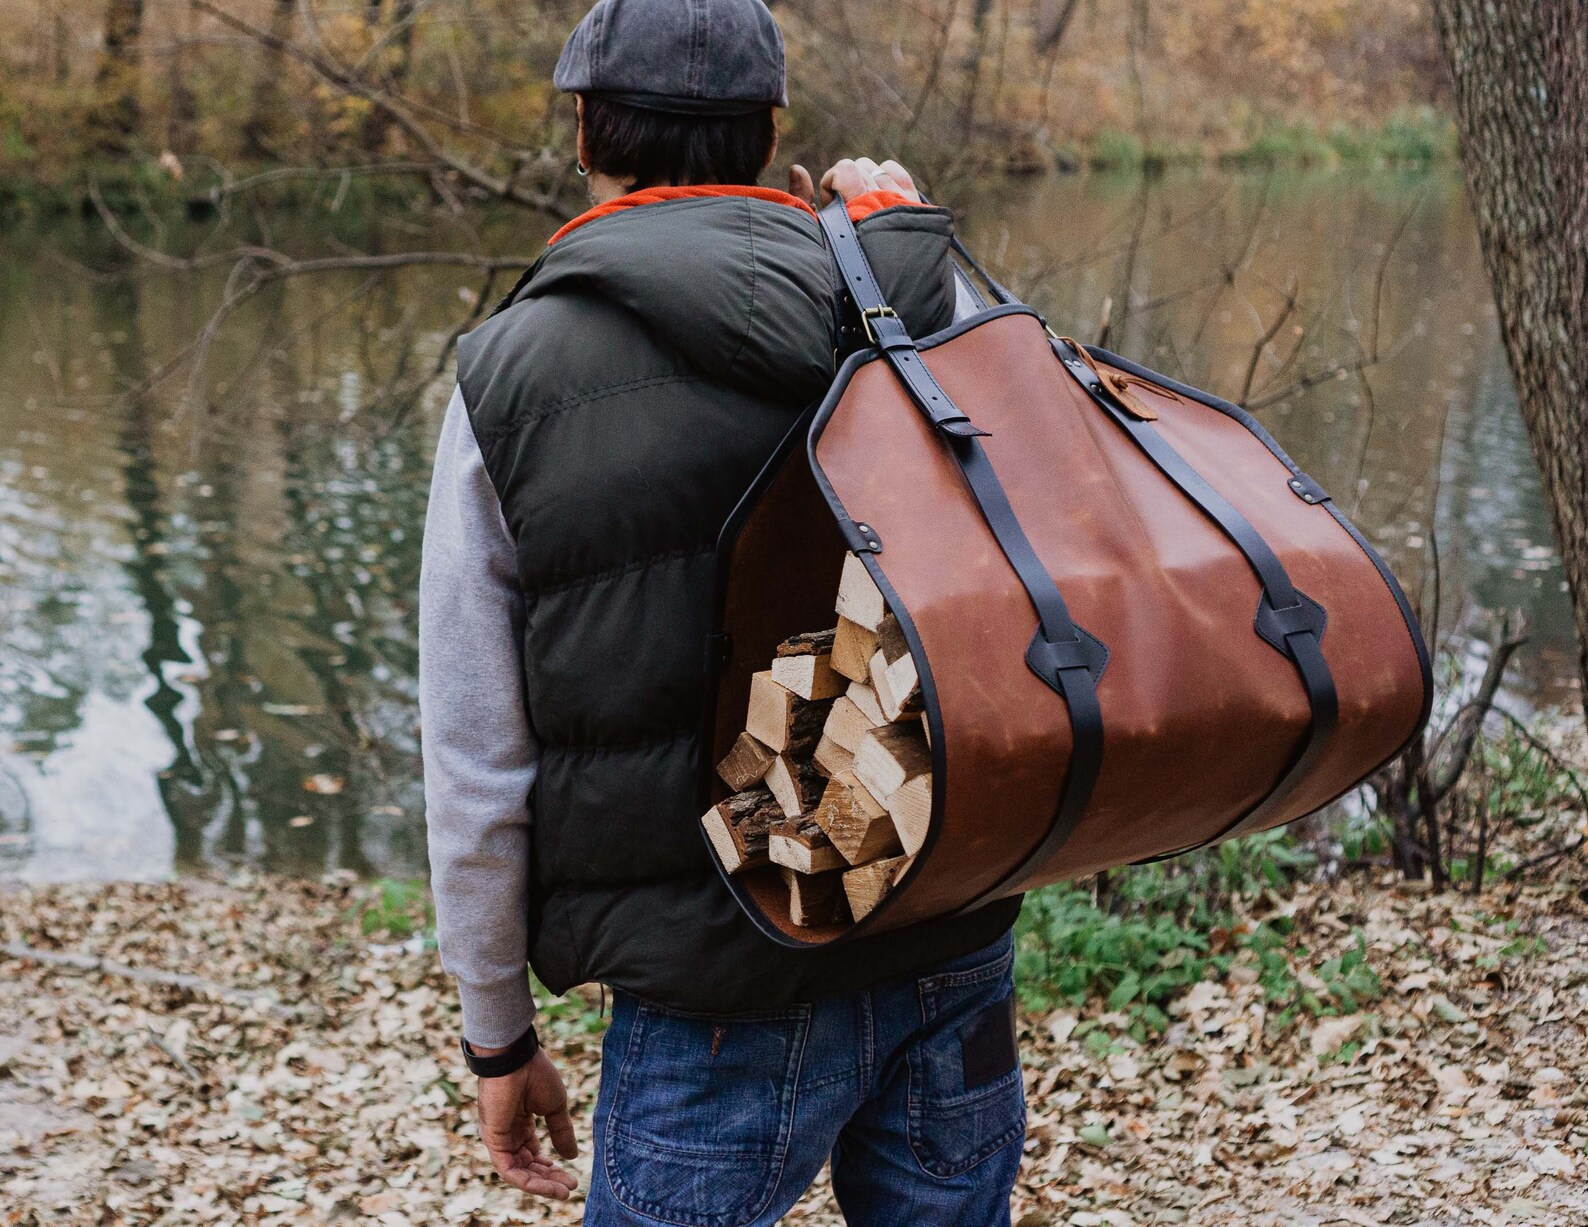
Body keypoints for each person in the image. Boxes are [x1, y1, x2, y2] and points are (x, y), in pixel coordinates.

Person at [419, 1, 1024, 1222]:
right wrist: (910, 246)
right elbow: (1040, 529)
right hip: (944, 928)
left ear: (586, 128)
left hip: (714, 988)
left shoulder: (509, 377)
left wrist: (497, 1035)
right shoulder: (915, 305)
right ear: (766, 131)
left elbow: (478, 755)